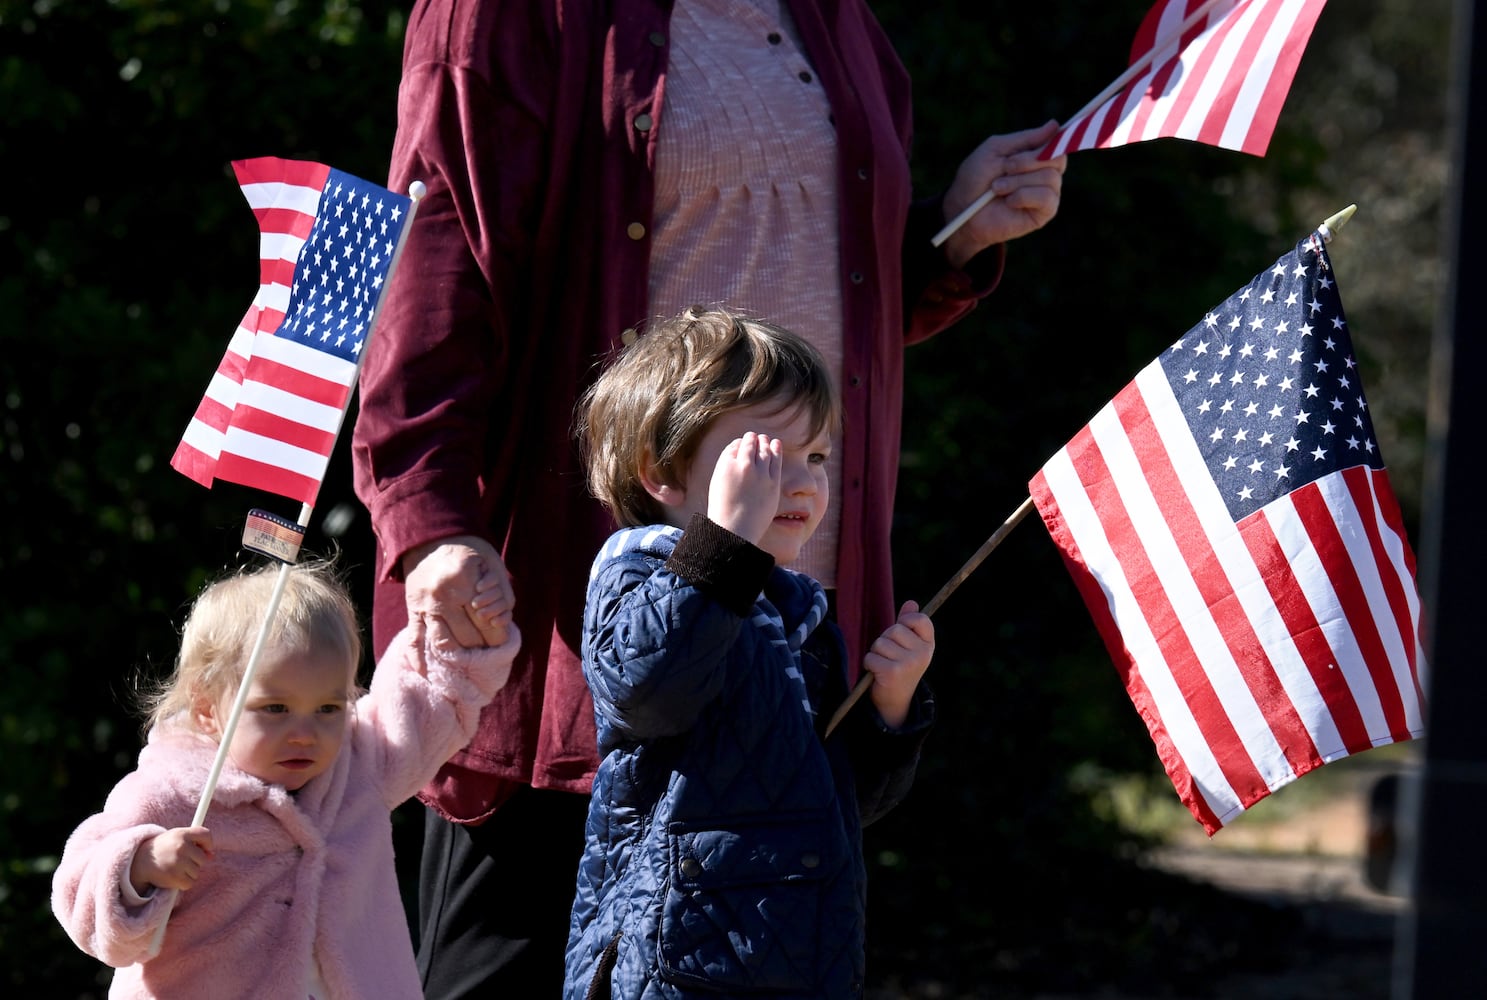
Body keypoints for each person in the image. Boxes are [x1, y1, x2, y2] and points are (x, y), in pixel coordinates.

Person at [350, 0, 1065, 992]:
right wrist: (429, 528)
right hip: (582, 628)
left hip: (787, 636)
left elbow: (811, 298)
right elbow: (432, 280)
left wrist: (946, 242)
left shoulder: (838, 17)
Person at [565, 306, 935, 998]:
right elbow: (647, 692)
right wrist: (723, 542)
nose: (800, 482)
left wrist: (889, 708)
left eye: (816, 456)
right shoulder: (637, 570)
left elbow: (842, 801)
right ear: (661, 472)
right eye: (764, 457)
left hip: (798, 953)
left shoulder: (795, 608)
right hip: (673, 956)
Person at [50, 548, 520, 999]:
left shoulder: (358, 764)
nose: (305, 733)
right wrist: (141, 865)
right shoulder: (172, 793)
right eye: (275, 708)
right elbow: (80, 896)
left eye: (328, 707)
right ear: (206, 706)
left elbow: (427, 697)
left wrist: (458, 624)